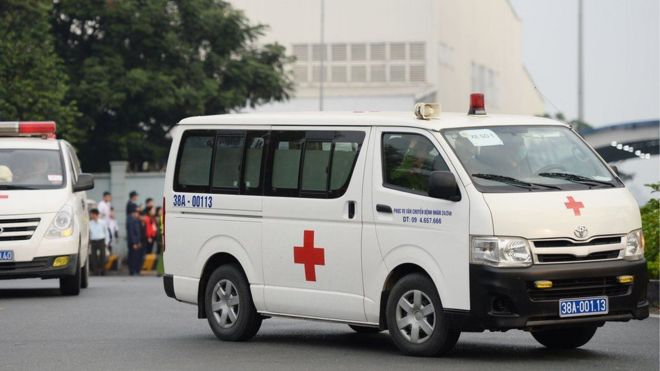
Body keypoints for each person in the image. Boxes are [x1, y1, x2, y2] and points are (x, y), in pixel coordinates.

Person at [88, 209, 108, 276]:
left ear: (96, 215)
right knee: (93, 257)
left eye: (92, 214)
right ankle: (95, 271)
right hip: (93, 241)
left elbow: (106, 232)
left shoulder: (103, 222)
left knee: (103, 256)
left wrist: (107, 242)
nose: (91, 216)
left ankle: (103, 271)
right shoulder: (90, 223)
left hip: (101, 240)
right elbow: (89, 233)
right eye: (91, 214)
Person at [126, 204, 143, 276]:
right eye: (136, 213)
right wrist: (134, 243)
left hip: (137, 242)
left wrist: (139, 242)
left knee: (136, 256)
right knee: (132, 257)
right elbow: (131, 233)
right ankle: (132, 271)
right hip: (132, 243)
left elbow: (138, 232)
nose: (137, 214)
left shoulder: (136, 220)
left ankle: (136, 270)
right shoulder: (130, 221)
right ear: (133, 213)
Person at [155, 206, 165, 276]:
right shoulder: (161, 218)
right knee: (161, 255)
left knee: (161, 255)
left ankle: (160, 270)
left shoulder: (160, 218)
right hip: (161, 239)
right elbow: (162, 230)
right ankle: (159, 271)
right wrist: (162, 239)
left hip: (160, 239)